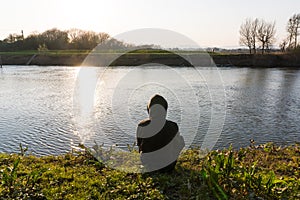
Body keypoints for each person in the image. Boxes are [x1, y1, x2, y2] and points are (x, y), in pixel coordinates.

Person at [136, 94, 185, 173]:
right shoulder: (173, 126)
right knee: (180, 140)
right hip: (169, 166)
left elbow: (139, 146)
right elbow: (179, 144)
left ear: (149, 110)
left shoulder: (142, 125)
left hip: (148, 165)